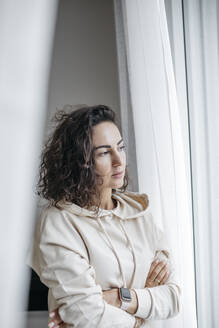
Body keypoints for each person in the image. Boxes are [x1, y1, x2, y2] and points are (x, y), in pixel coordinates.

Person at [31, 105, 181, 328]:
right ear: (79, 161)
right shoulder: (58, 222)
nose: (119, 160)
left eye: (120, 147)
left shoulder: (139, 212)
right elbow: (85, 315)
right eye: (103, 152)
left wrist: (119, 297)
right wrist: (141, 313)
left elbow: (173, 298)